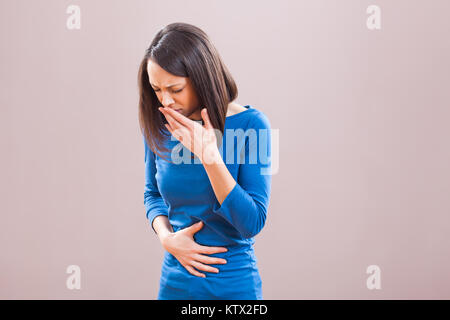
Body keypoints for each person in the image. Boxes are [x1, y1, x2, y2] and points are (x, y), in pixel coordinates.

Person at [137, 22, 272, 300]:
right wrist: (167, 239)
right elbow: (152, 194)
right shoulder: (161, 124)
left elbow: (252, 222)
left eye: (175, 89)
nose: (165, 101)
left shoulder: (252, 125)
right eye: (156, 89)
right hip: (174, 283)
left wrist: (209, 156)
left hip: (232, 286)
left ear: (201, 77)